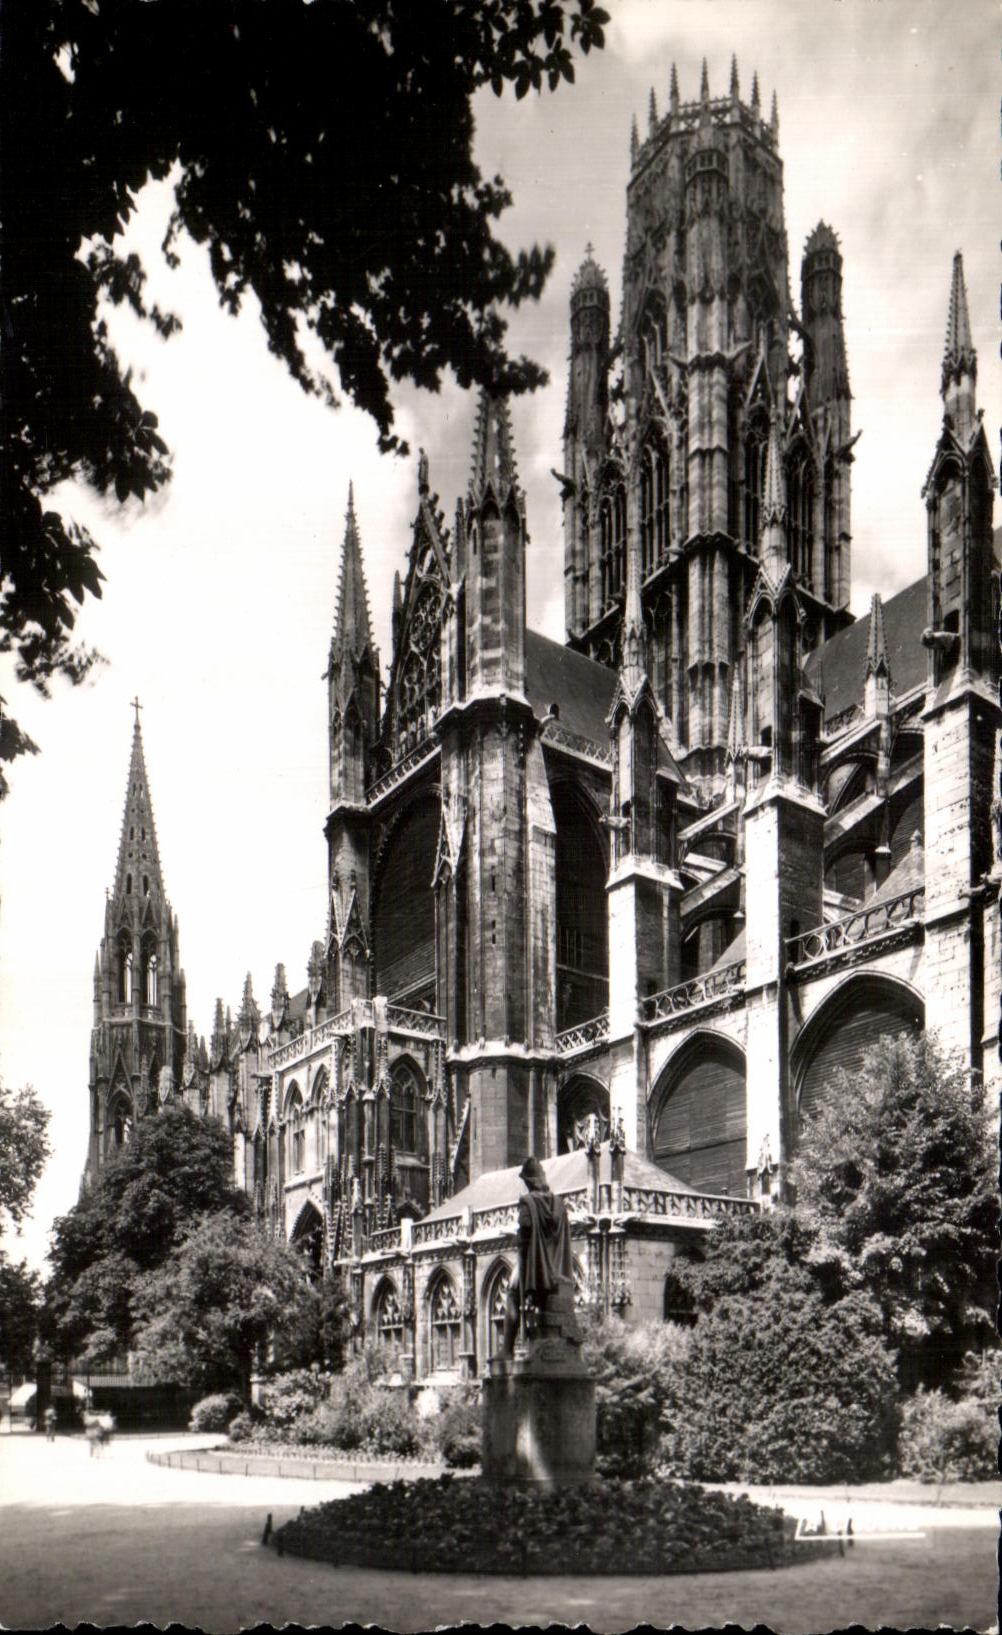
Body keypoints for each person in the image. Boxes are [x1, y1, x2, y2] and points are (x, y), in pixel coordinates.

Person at [502, 1156, 576, 1356]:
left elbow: (525, 1237)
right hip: (558, 1270)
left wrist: (519, 1241)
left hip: (537, 1269)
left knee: (511, 1293)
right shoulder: (559, 1204)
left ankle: (507, 1349)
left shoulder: (527, 1202)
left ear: (528, 1181)